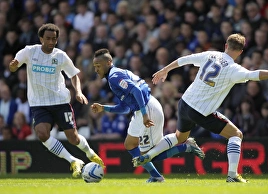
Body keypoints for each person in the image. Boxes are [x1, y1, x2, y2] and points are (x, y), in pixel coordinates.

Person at [133, 33, 268, 183]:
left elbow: (185, 59)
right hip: (201, 111)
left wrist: (165, 69)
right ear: (240, 52)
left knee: (179, 137)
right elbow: (256, 75)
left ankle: (148, 155)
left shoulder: (211, 54)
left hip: (184, 103)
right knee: (236, 134)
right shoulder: (234, 69)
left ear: (226, 45)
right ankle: (232, 175)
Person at [91, 48, 205, 183]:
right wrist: (104, 108)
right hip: (140, 110)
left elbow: (137, 91)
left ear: (109, 62)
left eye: (98, 66)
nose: (96, 70)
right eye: (94, 67)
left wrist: (145, 115)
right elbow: (125, 108)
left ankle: (185, 146)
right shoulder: (116, 75)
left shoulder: (115, 77)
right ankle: (156, 176)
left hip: (147, 108)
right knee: (130, 144)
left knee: (147, 156)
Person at [8, 23, 105, 178]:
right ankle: (73, 160)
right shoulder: (29, 51)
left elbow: (73, 75)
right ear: (41, 39)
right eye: (48, 39)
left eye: (54, 39)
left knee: (73, 138)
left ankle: (89, 152)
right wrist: (13, 66)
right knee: (42, 134)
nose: (51, 42)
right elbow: (14, 66)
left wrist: (78, 92)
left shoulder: (60, 56)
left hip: (60, 101)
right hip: (39, 103)